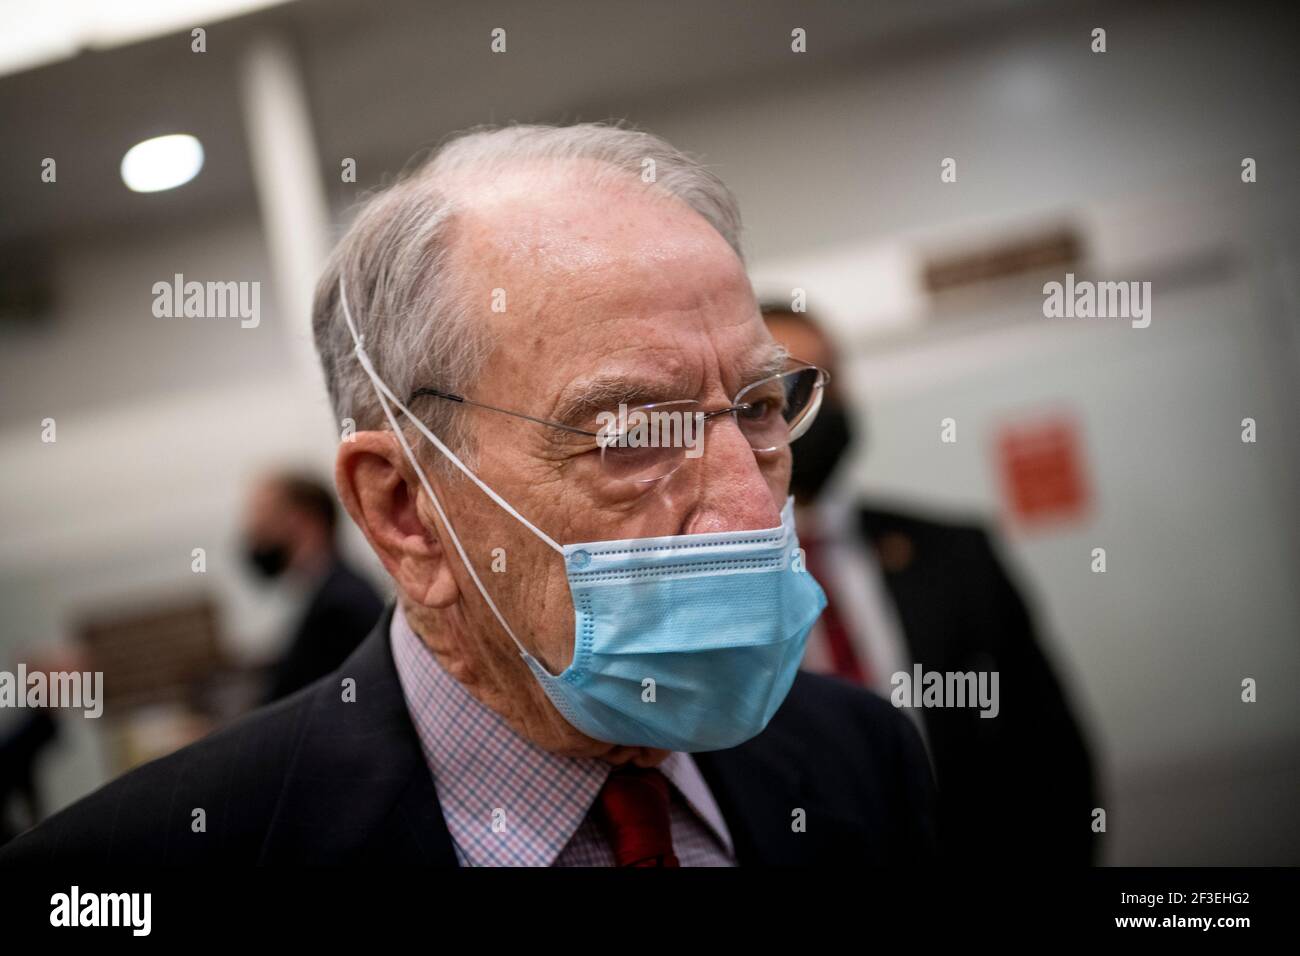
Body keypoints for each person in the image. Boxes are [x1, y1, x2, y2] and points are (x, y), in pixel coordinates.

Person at [0, 122, 935, 866]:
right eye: (630, 435)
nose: (748, 507)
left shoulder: (862, 760)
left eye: (762, 407)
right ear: (407, 512)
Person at [762, 304, 1098, 864]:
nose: (816, 413)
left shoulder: (955, 552)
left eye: (829, 382)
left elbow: (1048, 749)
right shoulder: (711, 585)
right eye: (785, 393)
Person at [242, 471, 384, 703]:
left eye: (262, 519)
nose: (253, 534)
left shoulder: (341, 606)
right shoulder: (320, 595)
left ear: (302, 520)